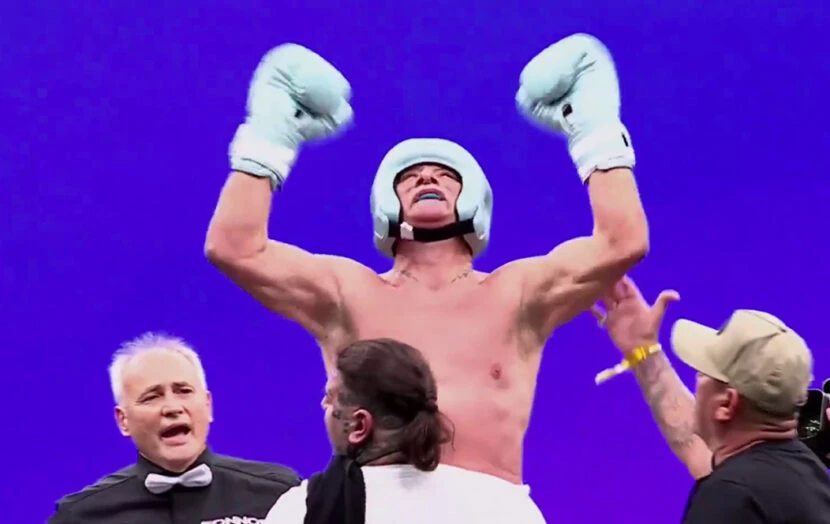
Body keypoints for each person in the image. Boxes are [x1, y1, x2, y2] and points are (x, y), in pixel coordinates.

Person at [205, 32, 648, 506]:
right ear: (386, 204)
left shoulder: (517, 292)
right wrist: (271, 136)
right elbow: (235, 247)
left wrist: (594, 129)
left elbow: (622, 241)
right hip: (373, 503)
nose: (427, 179)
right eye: (410, 178)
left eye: (445, 175)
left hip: (489, 508)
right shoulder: (348, 291)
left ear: (473, 198)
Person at [592, 276, 830, 523]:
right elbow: (704, 456)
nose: (698, 381)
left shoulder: (730, 500)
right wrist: (642, 350)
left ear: (727, 404)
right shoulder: (804, 473)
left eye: (702, 373)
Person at [265, 338, 545, 524]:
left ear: (360, 426)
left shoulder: (300, 509)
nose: (322, 405)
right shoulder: (506, 506)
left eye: (330, 398)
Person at [48, 332, 300, 524]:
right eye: (151, 397)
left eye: (183, 391)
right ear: (123, 420)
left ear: (208, 405)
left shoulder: (278, 492)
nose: (172, 407)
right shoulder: (80, 516)